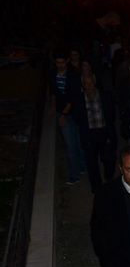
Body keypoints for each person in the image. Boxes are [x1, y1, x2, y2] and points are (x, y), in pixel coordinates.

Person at [76, 75, 117, 193]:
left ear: (95, 82)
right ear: (83, 85)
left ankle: (109, 179)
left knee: (109, 159)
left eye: (91, 83)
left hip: (104, 132)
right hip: (89, 135)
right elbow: (77, 118)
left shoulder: (105, 96)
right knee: (91, 163)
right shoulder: (79, 99)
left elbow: (112, 115)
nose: (89, 86)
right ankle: (97, 188)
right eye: (86, 84)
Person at [50, 50, 86, 185]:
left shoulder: (73, 75)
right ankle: (76, 172)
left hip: (74, 113)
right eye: (57, 62)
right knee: (71, 145)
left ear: (67, 61)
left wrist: (63, 114)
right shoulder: (52, 74)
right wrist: (54, 108)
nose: (60, 65)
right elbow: (53, 92)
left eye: (62, 62)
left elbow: (73, 97)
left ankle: (78, 171)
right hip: (62, 112)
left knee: (77, 142)